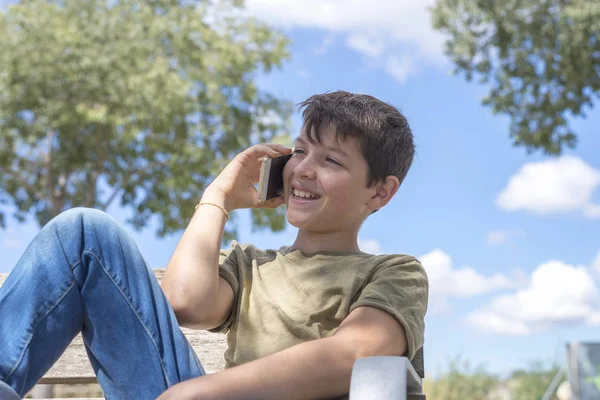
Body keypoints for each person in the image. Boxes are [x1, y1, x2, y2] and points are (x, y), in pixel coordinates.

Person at [0, 91, 428, 400]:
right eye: (299, 151)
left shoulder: (394, 272)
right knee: (83, 232)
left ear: (380, 192)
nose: (304, 169)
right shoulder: (249, 265)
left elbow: (354, 352)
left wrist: (201, 393)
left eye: (331, 160)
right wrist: (219, 195)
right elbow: (185, 301)